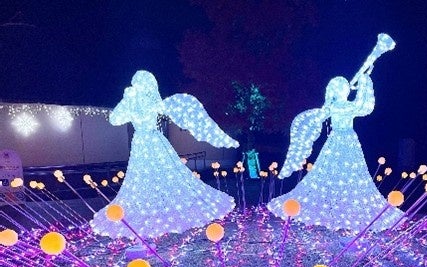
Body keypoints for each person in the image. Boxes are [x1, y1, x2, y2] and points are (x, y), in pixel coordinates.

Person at [268, 34, 403, 232]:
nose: (346, 88)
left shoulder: (335, 106)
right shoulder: (340, 106)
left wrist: (364, 80)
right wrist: (365, 81)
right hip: (344, 140)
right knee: (342, 174)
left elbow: (362, 106)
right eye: (343, 86)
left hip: (340, 141)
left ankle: (340, 203)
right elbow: (362, 106)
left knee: (346, 175)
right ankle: (336, 205)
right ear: (340, 90)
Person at [91, 70, 238, 238]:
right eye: (137, 82)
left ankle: (165, 207)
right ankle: (152, 208)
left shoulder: (153, 103)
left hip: (152, 140)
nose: (139, 86)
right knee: (142, 177)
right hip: (142, 144)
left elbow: (135, 117)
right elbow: (115, 119)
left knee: (167, 173)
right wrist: (126, 100)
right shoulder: (132, 101)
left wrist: (129, 101)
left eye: (142, 83)